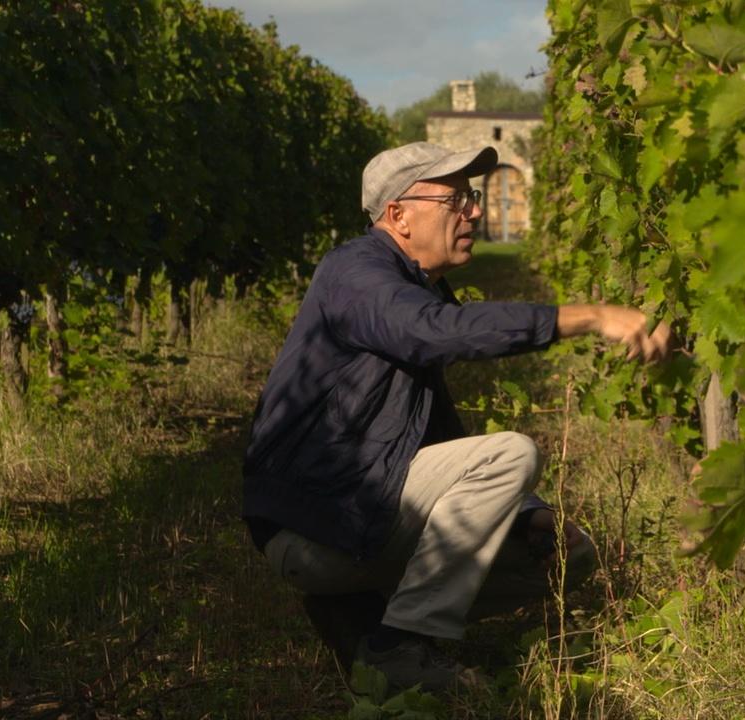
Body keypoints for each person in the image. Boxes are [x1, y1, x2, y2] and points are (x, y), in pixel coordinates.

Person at [241, 141, 670, 694]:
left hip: (359, 512)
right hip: (316, 526)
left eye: (473, 197)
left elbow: (435, 436)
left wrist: (525, 512)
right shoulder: (357, 273)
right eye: (457, 199)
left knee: (568, 554)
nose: (474, 211)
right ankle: (399, 649)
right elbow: (435, 332)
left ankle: (360, 619)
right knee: (511, 452)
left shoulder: (413, 284)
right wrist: (588, 316)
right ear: (398, 214)